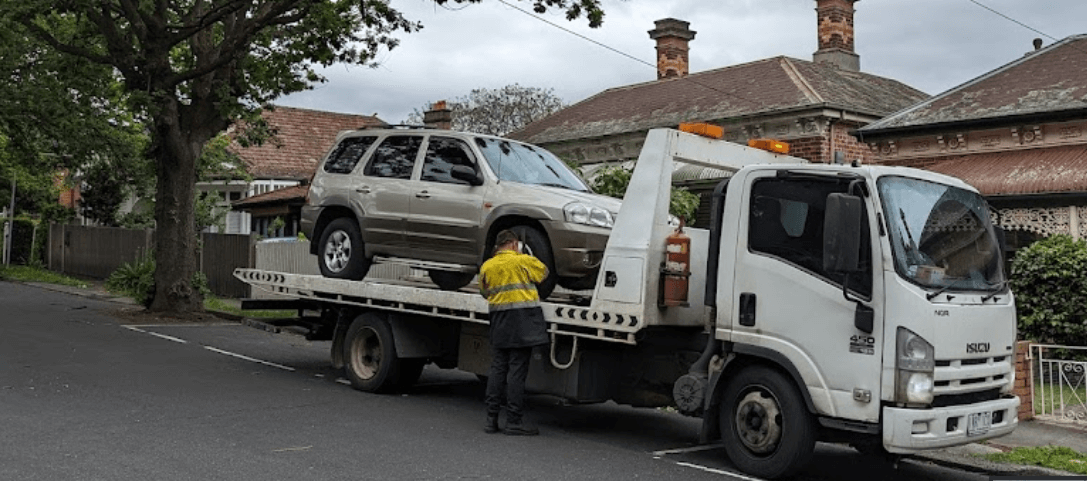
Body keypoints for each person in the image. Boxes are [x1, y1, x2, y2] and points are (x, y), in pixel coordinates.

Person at [478, 229, 549, 435]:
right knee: (516, 372)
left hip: (499, 321)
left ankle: (491, 420)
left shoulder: (487, 266)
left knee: (498, 369)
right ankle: (514, 421)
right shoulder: (523, 261)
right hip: (522, 321)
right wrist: (526, 254)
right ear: (512, 244)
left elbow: (484, 292)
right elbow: (544, 274)